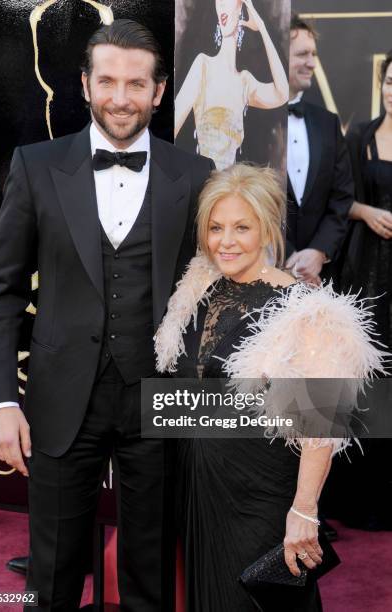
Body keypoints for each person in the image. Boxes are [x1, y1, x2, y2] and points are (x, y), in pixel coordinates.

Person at [0, 19, 214, 611]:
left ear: (159, 92)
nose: (119, 98)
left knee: (152, 577)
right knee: (52, 577)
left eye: (136, 84)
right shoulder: (35, 166)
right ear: (84, 85)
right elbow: (2, 294)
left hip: (160, 403)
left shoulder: (194, 174)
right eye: (106, 81)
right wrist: (2, 402)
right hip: (59, 401)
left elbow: (216, 289)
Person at [154, 163, 384, 612]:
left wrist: (304, 511)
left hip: (261, 495)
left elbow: (321, 427)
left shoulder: (303, 311)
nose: (226, 241)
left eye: (242, 227)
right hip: (200, 488)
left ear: (268, 228)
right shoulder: (196, 289)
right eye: (216, 227)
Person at [330, 51, 392, 532]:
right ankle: (361, 498)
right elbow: (340, 197)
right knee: (367, 381)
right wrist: (368, 213)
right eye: (390, 82)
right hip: (367, 270)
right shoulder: (360, 136)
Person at [175, 0, 288, 170]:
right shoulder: (203, 65)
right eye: (218, 1)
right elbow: (173, 127)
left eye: (228, 1)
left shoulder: (244, 82)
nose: (222, 7)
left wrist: (262, 27)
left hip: (232, 187)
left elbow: (282, 93)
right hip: (205, 186)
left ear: (241, 7)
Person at [285, 14, 354, 286]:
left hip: (320, 278)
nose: (312, 63)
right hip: (261, 272)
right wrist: (287, 254)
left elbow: (342, 197)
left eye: (314, 54)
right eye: (303, 54)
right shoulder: (250, 121)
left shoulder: (328, 123)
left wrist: (319, 252)